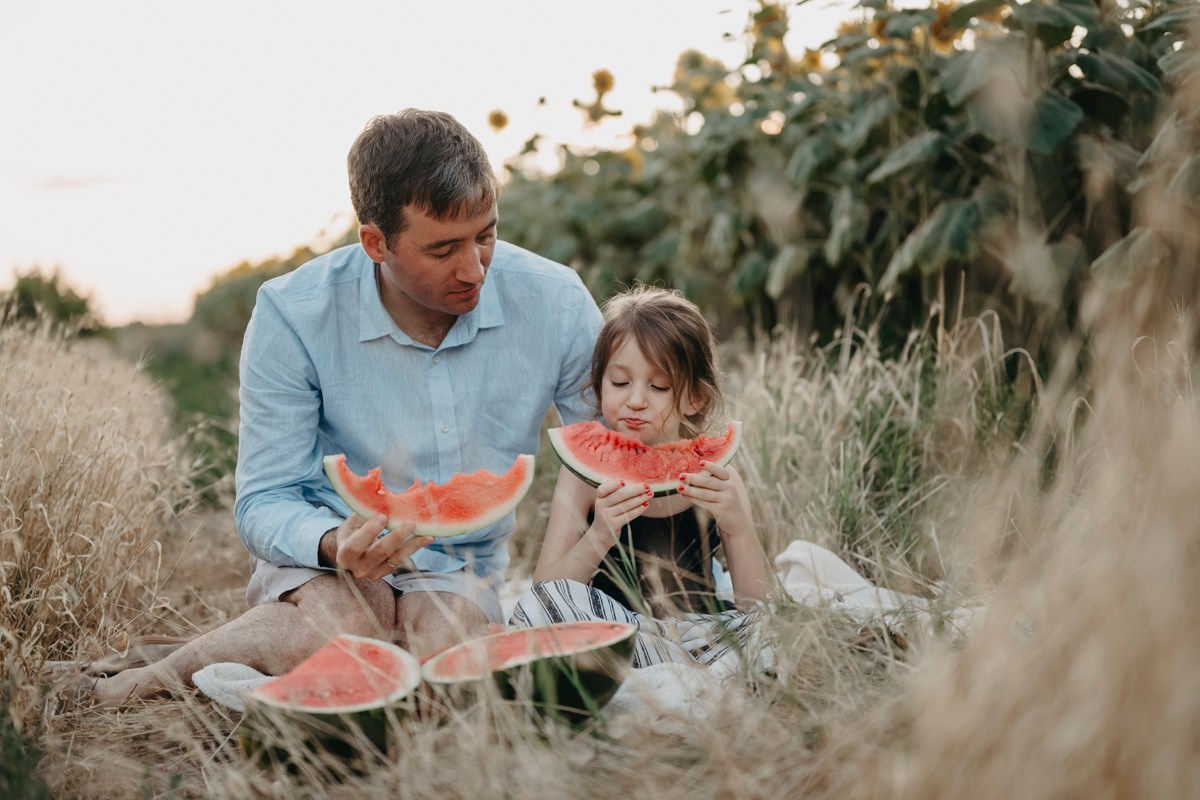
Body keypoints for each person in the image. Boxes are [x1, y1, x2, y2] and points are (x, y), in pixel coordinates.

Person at [80, 109, 603, 706]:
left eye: (485, 234)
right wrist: (332, 540)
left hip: (459, 564)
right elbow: (263, 498)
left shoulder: (555, 299)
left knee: (444, 668)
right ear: (375, 243)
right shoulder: (293, 314)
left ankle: (235, 644)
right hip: (324, 554)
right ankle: (147, 681)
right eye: (443, 249)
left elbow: (608, 449)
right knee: (353, 639)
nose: (475, 267)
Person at [511, 285, 773, 670]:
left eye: (659, 387)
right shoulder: (582, 476)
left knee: (768, 630)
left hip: (696, 633)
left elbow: (757, 607)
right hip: (613, 629)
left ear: (695, 398)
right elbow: (546, 591)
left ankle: (672, 661)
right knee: (536, 610)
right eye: (619, 383)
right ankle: (669, 663)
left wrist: (738, 527)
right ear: (598, 384)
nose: (635, 400)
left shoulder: (717, 478)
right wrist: (600, 534)